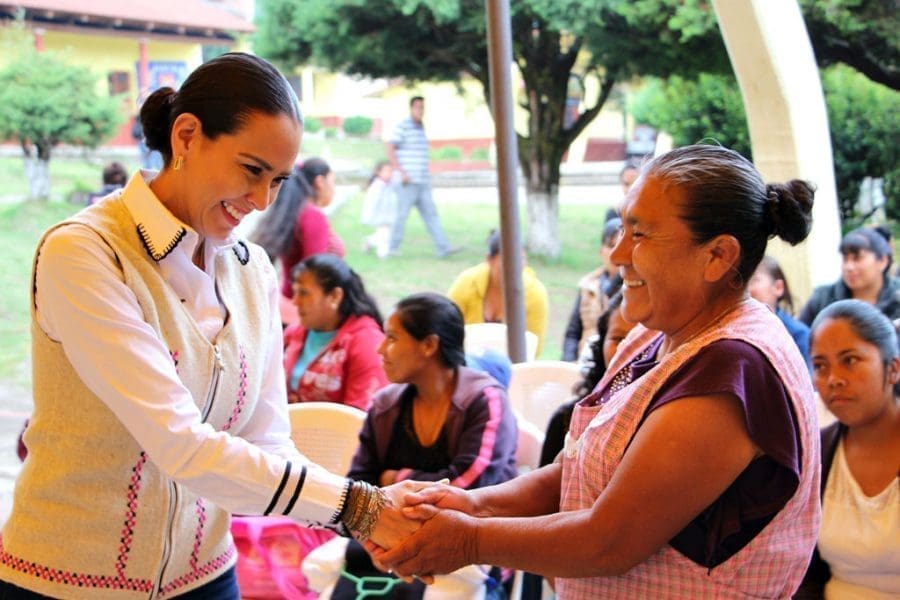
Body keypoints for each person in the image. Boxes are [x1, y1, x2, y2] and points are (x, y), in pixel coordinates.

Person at [1, 52, 417, 599]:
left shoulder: (252, 269)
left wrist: (364, 520)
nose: (262, 201)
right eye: (252, 170)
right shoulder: (85, 253)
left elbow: (268, 439)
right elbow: (180, 445)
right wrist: (359, 508)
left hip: (207, 576)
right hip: (69, 583)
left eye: (278, 180)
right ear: (187, 136)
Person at [371, 144, 822, 598]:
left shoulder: (732, 371)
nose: (618, 253)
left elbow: (609, 541)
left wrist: (469, 539)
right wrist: (475, 505)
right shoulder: (655, 334)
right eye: (622, 228)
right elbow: (578, 472)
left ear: (718, 256)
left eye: (640, 235)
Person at [334, 292, 518, 598]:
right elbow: (359, 486)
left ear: (429, 345)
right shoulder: (385, 406)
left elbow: (470, 489)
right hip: (387, 551)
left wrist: (396, 479)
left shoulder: (485, 401)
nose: (380, 349)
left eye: (392, 338)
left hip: (470, 554)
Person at [796, 300, 900, 599]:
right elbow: (806, 572)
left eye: (850, 360)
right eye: (820, 366)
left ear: (893, 369)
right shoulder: (815, 454)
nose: (834, 379)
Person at [284, 253, 388, 409]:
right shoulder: (295, 332)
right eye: (295, 292)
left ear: (334, 296)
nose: (295, 301)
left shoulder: (367, 343)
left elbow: (360, 416)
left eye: (304, 293)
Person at [542, 291, 633, 467]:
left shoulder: (661, 420)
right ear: (602, 344)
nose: (628, 348)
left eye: (639, 340)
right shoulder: (567, 420)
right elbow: (545, 482)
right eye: (618, 338)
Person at [250, 157, 346, 324]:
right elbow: (315, 274)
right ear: (320, 182)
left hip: (289, 303)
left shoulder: (297, 212)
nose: (334, 189)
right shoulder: (312, 216)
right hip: (302, 311)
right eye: (333, 181)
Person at [448, 228, 550, 355]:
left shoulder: (535, 294)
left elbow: (534, 348)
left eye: (521, 259)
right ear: (489, 260)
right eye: (508, 261)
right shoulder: (467, 283)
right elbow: (446, 330)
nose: (514, 268)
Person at [387, 96, 460, 258]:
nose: (420, 111)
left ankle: (443, 247)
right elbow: (390, 148)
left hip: (422, 181)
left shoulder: (421, 128)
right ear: (411, 108)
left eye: (422, 107)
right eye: (418, 107)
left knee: (431, 215)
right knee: (401, 216)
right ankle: (392, 248)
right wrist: (401, 172)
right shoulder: (403, 127)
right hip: (407, 182)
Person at [799, 226, 900, 325]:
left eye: (857, 258)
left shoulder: (897, 296)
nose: (849, 267)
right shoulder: (823, 298)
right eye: (845, 259)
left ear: (882, 261)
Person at [561, 218, 624, 361]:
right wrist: (569, 363)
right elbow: (572, 334)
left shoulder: (635, 289)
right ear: (601, 250)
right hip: (584, 363)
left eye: (620, 246)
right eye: (611, 246)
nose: (616, 252)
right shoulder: (588, 285)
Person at [749, 255, 812, 369]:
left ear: (778, 287)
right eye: (744, 282)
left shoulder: (798, 335)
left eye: (754, 280)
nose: (747, 289)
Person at [360, 160, 398, 259]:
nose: (389, 173)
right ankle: (382, 254)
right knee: (384, 235)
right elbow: (371, 203)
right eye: (386, 171)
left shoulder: (391, 185)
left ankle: (369, 241)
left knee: (384, 234)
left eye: (390, 171)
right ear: (378, 172)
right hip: (378, 215)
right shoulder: (376, 186)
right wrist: (368, 216)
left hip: (388, 215)